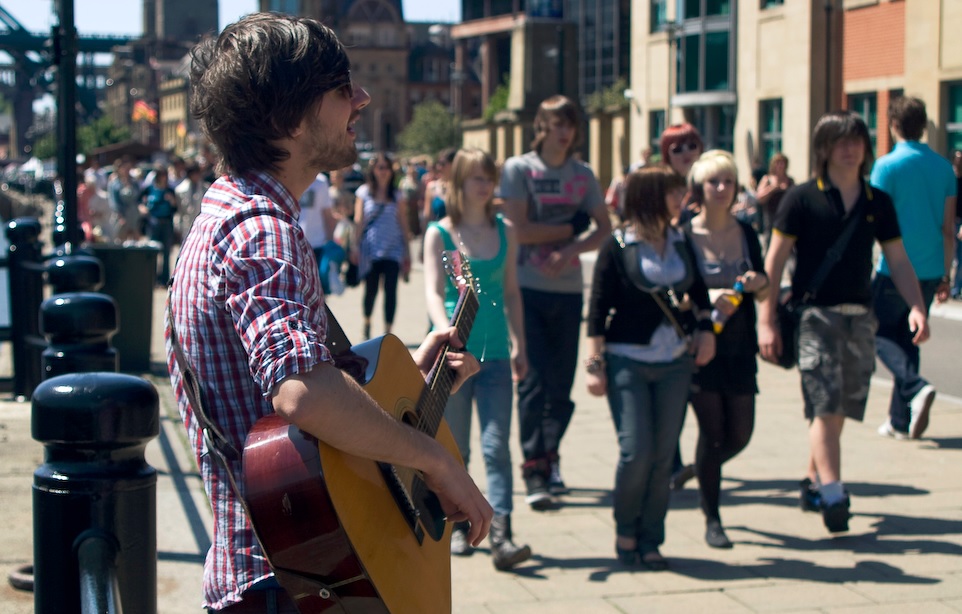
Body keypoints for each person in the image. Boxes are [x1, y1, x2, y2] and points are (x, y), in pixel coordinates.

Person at [165, 14, 492, 612]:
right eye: (342, 88)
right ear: (288, 117)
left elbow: (289, 414)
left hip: (278, 561)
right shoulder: (265, 230)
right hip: (288, 578)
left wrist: (408, 380)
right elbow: (302, 395)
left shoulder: (224, 210)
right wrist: (437, 461)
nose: (362, 100)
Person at [758, 111, 930, 534]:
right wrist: (766, 320)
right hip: (815, 315)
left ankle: (814, 479)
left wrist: (917, 306)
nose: (850, 149)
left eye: (857, 140)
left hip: (861, 316)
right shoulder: (801, 199)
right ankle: (833, 493)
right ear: (823, 149)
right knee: (824, 404)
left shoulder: (877, 202)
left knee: (840, 411)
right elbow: (775, 263)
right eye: (840, 141)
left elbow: (898, 259)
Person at [585, 165, 716, 570]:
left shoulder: (681, 240)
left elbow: (700, 295)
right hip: (628, 360)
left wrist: (706, 330)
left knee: (662, 456)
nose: (681, 200)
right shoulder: (619, 245)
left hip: (675, 361)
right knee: (636, 451)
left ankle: (650, 538)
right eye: (673, 193)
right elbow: (597, 309)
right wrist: (595, 364)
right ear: (649, 197)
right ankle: (626, 529)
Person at [499, 94, 612, 509]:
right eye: (556, 123)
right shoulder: (519, 169)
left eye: (570, 123)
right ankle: (534, 467)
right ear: (540, 126)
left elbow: (604, 228)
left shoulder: (582, 175)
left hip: (567, 289)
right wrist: (570, 226)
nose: (564, 132)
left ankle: (551, 455)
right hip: (526, 287)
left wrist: (570, 249)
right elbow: (519, 231)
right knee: (532, 382)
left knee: (562, 388)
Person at [423, 148, 532, 571]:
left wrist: (520, 342)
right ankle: (457, 527)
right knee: (455, 448)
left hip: (497, 355)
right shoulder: (441, 233)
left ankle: (502, 535)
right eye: (476, 178)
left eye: (490, 177)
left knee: (496, 445)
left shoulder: (505, 231)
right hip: (452, 357)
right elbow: (434, 290)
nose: (485, 186)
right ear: (460, 183)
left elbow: (512, 293)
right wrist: (444, 333)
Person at [685, 151, 770, 549]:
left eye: (729, 182)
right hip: (701, 350)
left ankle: (700, 470)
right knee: (713, 432)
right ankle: (712, 516)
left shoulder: (747, 232)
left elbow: (767, 285)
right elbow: (678, 291)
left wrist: (758, 283)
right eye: (713, 182)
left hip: (740, 347)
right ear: (698, 189)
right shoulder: (685, 235)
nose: (722, 189)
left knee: (741, 433)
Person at [870, 96, 957, 440]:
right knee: (908, 338)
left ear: (893, 126)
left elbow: (872, 220)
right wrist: (947, 273)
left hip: (895, 267)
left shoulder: (887, 166)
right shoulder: (944, 168)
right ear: (924, 127)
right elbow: (948, 228)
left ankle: (914, 387)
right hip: (931, 265)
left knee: (876, 332)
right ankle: (900, 419)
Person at [659, 122, 705, 490]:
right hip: (669, 308)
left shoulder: (710, 186)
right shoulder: (658, 191)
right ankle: (671, 464)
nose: (687, 152)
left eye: (692, 145)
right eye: (678, 148)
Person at [352, 152, 412, 340]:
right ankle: (367, 321)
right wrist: (354, 246)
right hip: (370, 250)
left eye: (387, 168)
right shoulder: (364, 192)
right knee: (370, 291)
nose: (384, 172)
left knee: (391, 291)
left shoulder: (397, 195)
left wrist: (407, 251)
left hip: (393, 250)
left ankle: (388, 332)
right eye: (380, 168)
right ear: (374, 170)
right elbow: (359, 220)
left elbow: (403, 223)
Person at [298, 171, 343, 295]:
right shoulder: (289, 175)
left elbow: (327, 214)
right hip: (293, 243)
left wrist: (329, 241)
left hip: (316, 243)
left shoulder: (321, 182)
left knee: (319, 291)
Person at [139, 167, 178, 284]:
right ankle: (152, 278)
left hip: (166, 222)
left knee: (166, 252)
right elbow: (139, 201)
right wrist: (142, 208)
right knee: (153, 250)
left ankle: (164, 279)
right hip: (153, 222)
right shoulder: (149, 189)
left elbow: (175, 208)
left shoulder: (170, 191)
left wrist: (172, 201)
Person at [754, 152, 795, 246]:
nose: (780, 165)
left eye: (782, 163)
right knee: (769, 241)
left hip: (786, 216)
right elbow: (759, 197)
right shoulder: (767, 179)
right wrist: (773, 188)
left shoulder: (790, 180)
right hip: (771, 215)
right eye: (778, 162)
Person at [107, 158, 143, 241]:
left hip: (133, 213)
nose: (126, 170)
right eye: (124, 168)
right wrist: (120, 215)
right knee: (121, 238)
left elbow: (139, 197)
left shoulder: (134, 182)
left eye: (128, 168)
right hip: (121, 213)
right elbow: (113, 201)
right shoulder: (115, 184)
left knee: (135, 237)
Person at [174, 162, 209, 242]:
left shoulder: (206, 189)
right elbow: (179, 211)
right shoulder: (180, 190)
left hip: (202, 225)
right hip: (187, 224)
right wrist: (178, 225)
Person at [423, 148, 457, 224]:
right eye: (438, 163)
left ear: (454, 165)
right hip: (439, 233)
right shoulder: (432, 187)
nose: (438, 167)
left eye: (442, 164)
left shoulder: (464, 188)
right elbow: (427, 217)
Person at [952, 150, 962, 300]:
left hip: (959, 222)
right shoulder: (950, 179)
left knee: (960, 257)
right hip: (949, 222)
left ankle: (956, 288)